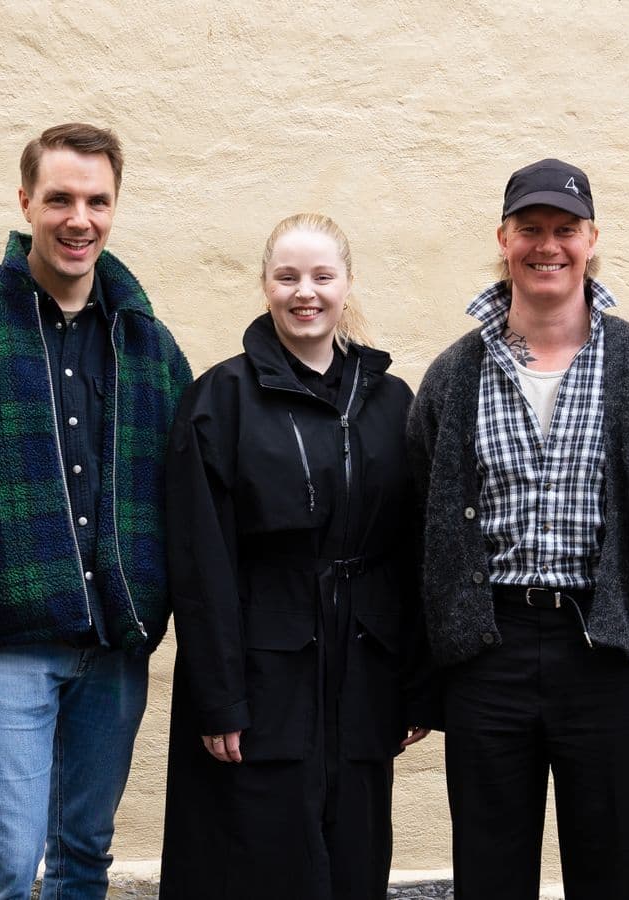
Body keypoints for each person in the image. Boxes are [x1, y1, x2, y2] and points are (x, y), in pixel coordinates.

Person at [0, 124, 192, 900]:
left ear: (114, 208)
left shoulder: (151, 346)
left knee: (84, 857)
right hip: (7, 639)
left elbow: (184, 492)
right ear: (25, 201)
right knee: (4, 861)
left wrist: (156, 589)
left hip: (118, 641)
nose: (78, 219)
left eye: (97, 201)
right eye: (60, 198)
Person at [406, 159, 629, 899]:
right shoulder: (455, 374)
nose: (548, 246)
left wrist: (623, 577)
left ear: (591, 240)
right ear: (504, 240)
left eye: (565, 230)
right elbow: (425, 509)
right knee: (490, 872)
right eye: (531, 229)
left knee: (608, 871)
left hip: (607, 648)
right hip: (489, 651)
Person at [159, 213, 431, 899]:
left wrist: (415, 682)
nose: (304, 292)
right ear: (265, 286)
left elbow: (412, 552)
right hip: (263, 676)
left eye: (321, 276)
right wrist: (218, 698)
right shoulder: (220, 400)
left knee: (354, 863)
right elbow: (199, 560)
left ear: (346, 284)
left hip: (363, 676)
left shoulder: (390, 402)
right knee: (263, 864)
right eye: (287, 277)